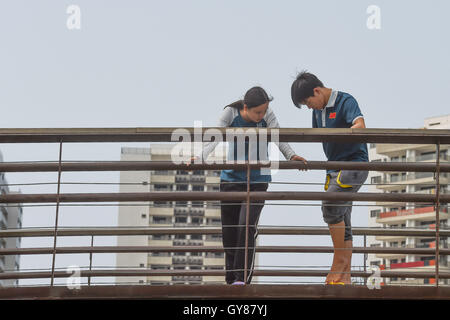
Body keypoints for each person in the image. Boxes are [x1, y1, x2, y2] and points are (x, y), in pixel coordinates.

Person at [191, 86, 307, 285]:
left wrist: (291, 155)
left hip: (257, 181)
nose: (262, 115)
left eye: (264, 111)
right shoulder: (230, 113)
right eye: (258, 112)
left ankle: (241, 279)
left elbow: (278, 136)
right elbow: (214, 137)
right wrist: (200, 156)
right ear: (246, 107)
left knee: (246, 226)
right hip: (230, 180)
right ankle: (230, 279)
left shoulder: (267, 114)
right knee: (229, 233)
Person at [290, 71, 369, 285]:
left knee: (330, 205)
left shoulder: (345, 100)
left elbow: (360, 126)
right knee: (344, 217)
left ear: (317, 91)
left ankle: (338, 263)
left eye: (308, 102)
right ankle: (345, 277)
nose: (309, 107)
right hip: (333, 169)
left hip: (354, 164)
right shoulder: (317, 111)